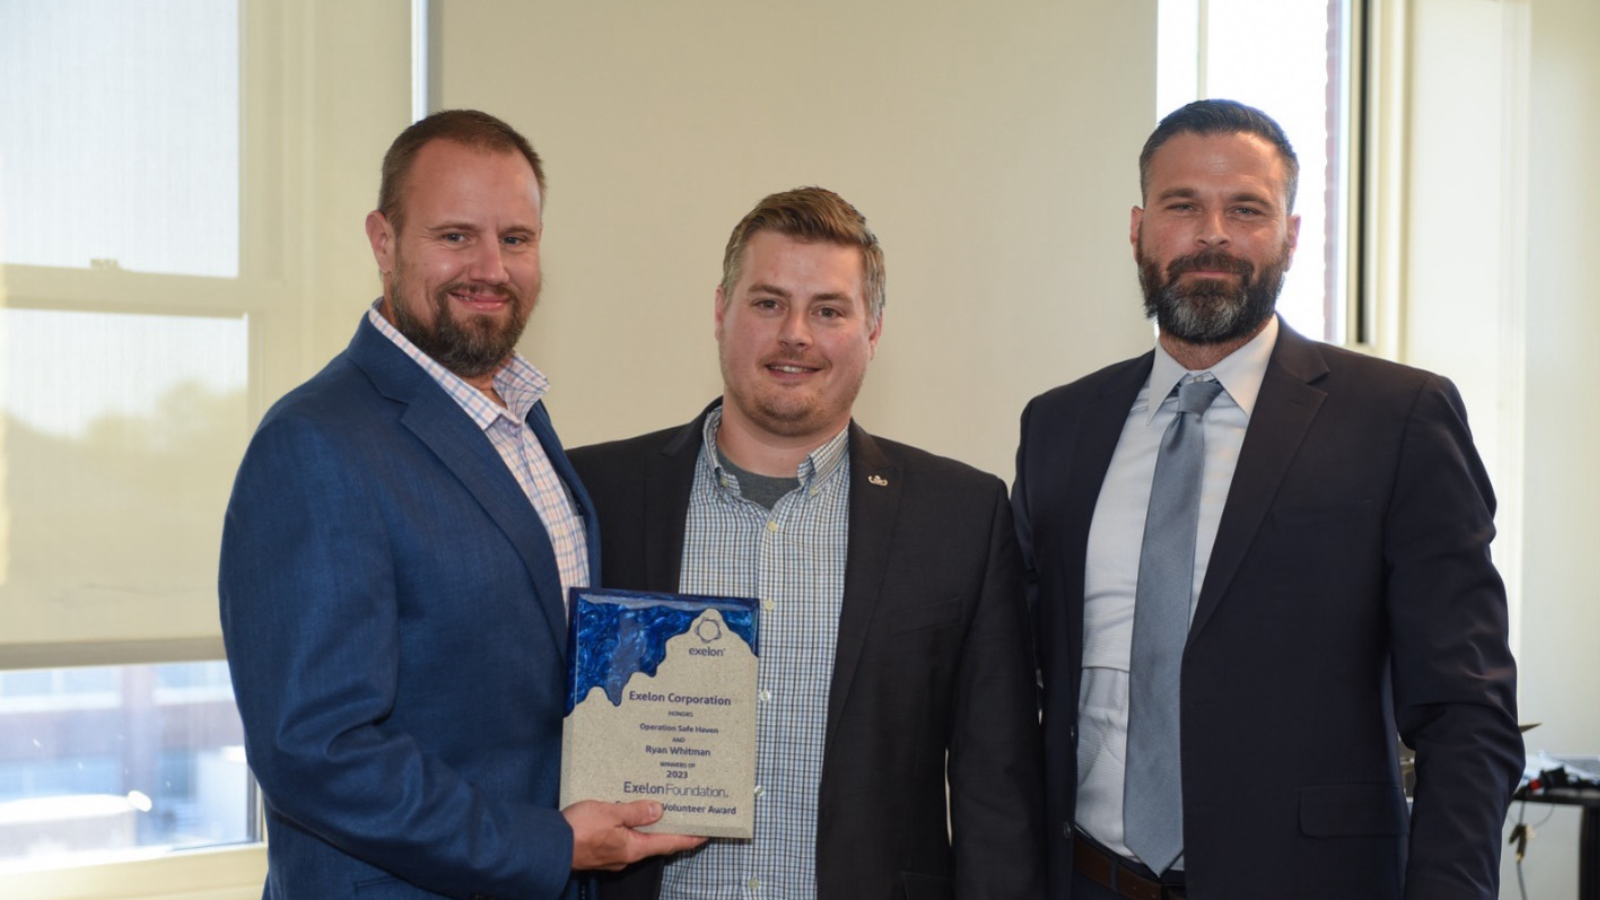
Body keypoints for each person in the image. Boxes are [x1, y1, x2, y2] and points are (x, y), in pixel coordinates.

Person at [1012, 99, 1523, 900]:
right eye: (1183, 206)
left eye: (1246, 208)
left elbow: (1467, 712)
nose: (1212, 233)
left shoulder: (1398, 419)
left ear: (1288, 233)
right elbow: (1019, 692)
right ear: (1140, 230)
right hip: (1086, 879)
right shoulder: (1058, 427)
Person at [219, 109, 700, 900]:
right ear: (383, 241)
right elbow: (318, 749)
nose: (491, 267)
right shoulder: (315, 444)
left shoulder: (519, 420)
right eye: (455, 237)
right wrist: (547, 844)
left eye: (515, 239)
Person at [569, 187, 1044, 899]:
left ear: (873, 330)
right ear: (721, 311)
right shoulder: (596, 492)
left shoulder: (962, 517)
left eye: (828, 310)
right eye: (767, 303)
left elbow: (995, 791)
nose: (796, 334)